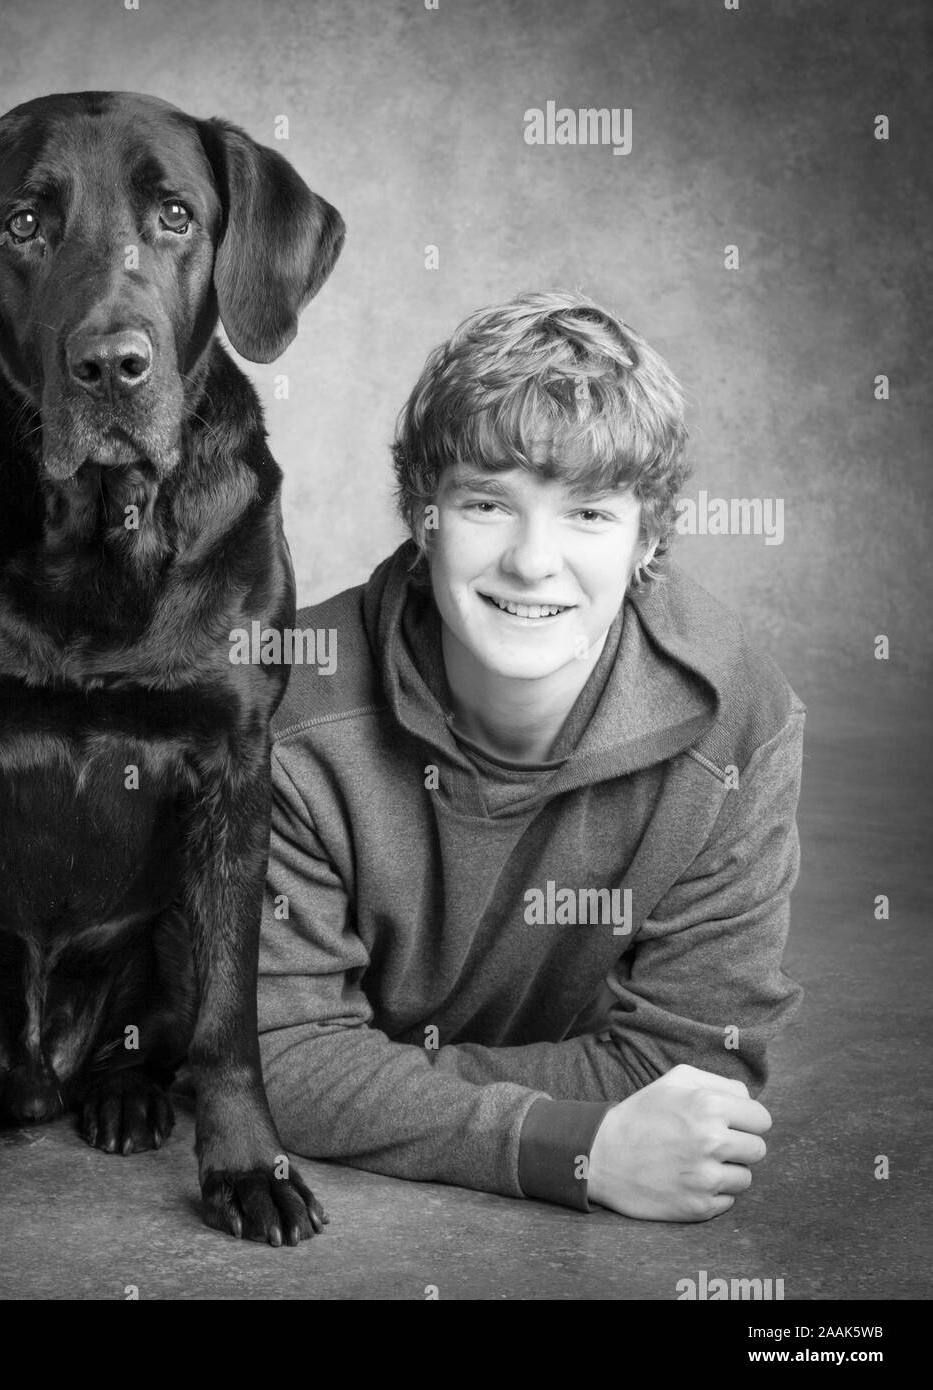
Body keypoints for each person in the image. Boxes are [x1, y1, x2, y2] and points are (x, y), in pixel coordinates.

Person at [257, 290, 804, 1220]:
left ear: (649, 541)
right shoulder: (287, 706)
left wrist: (372, 1081)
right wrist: (571, 1146)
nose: (532, 561)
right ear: (422, 517)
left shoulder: (740, 724)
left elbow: (693, 1073)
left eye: (589, 514)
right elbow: (280, 1061)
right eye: (486, 504)